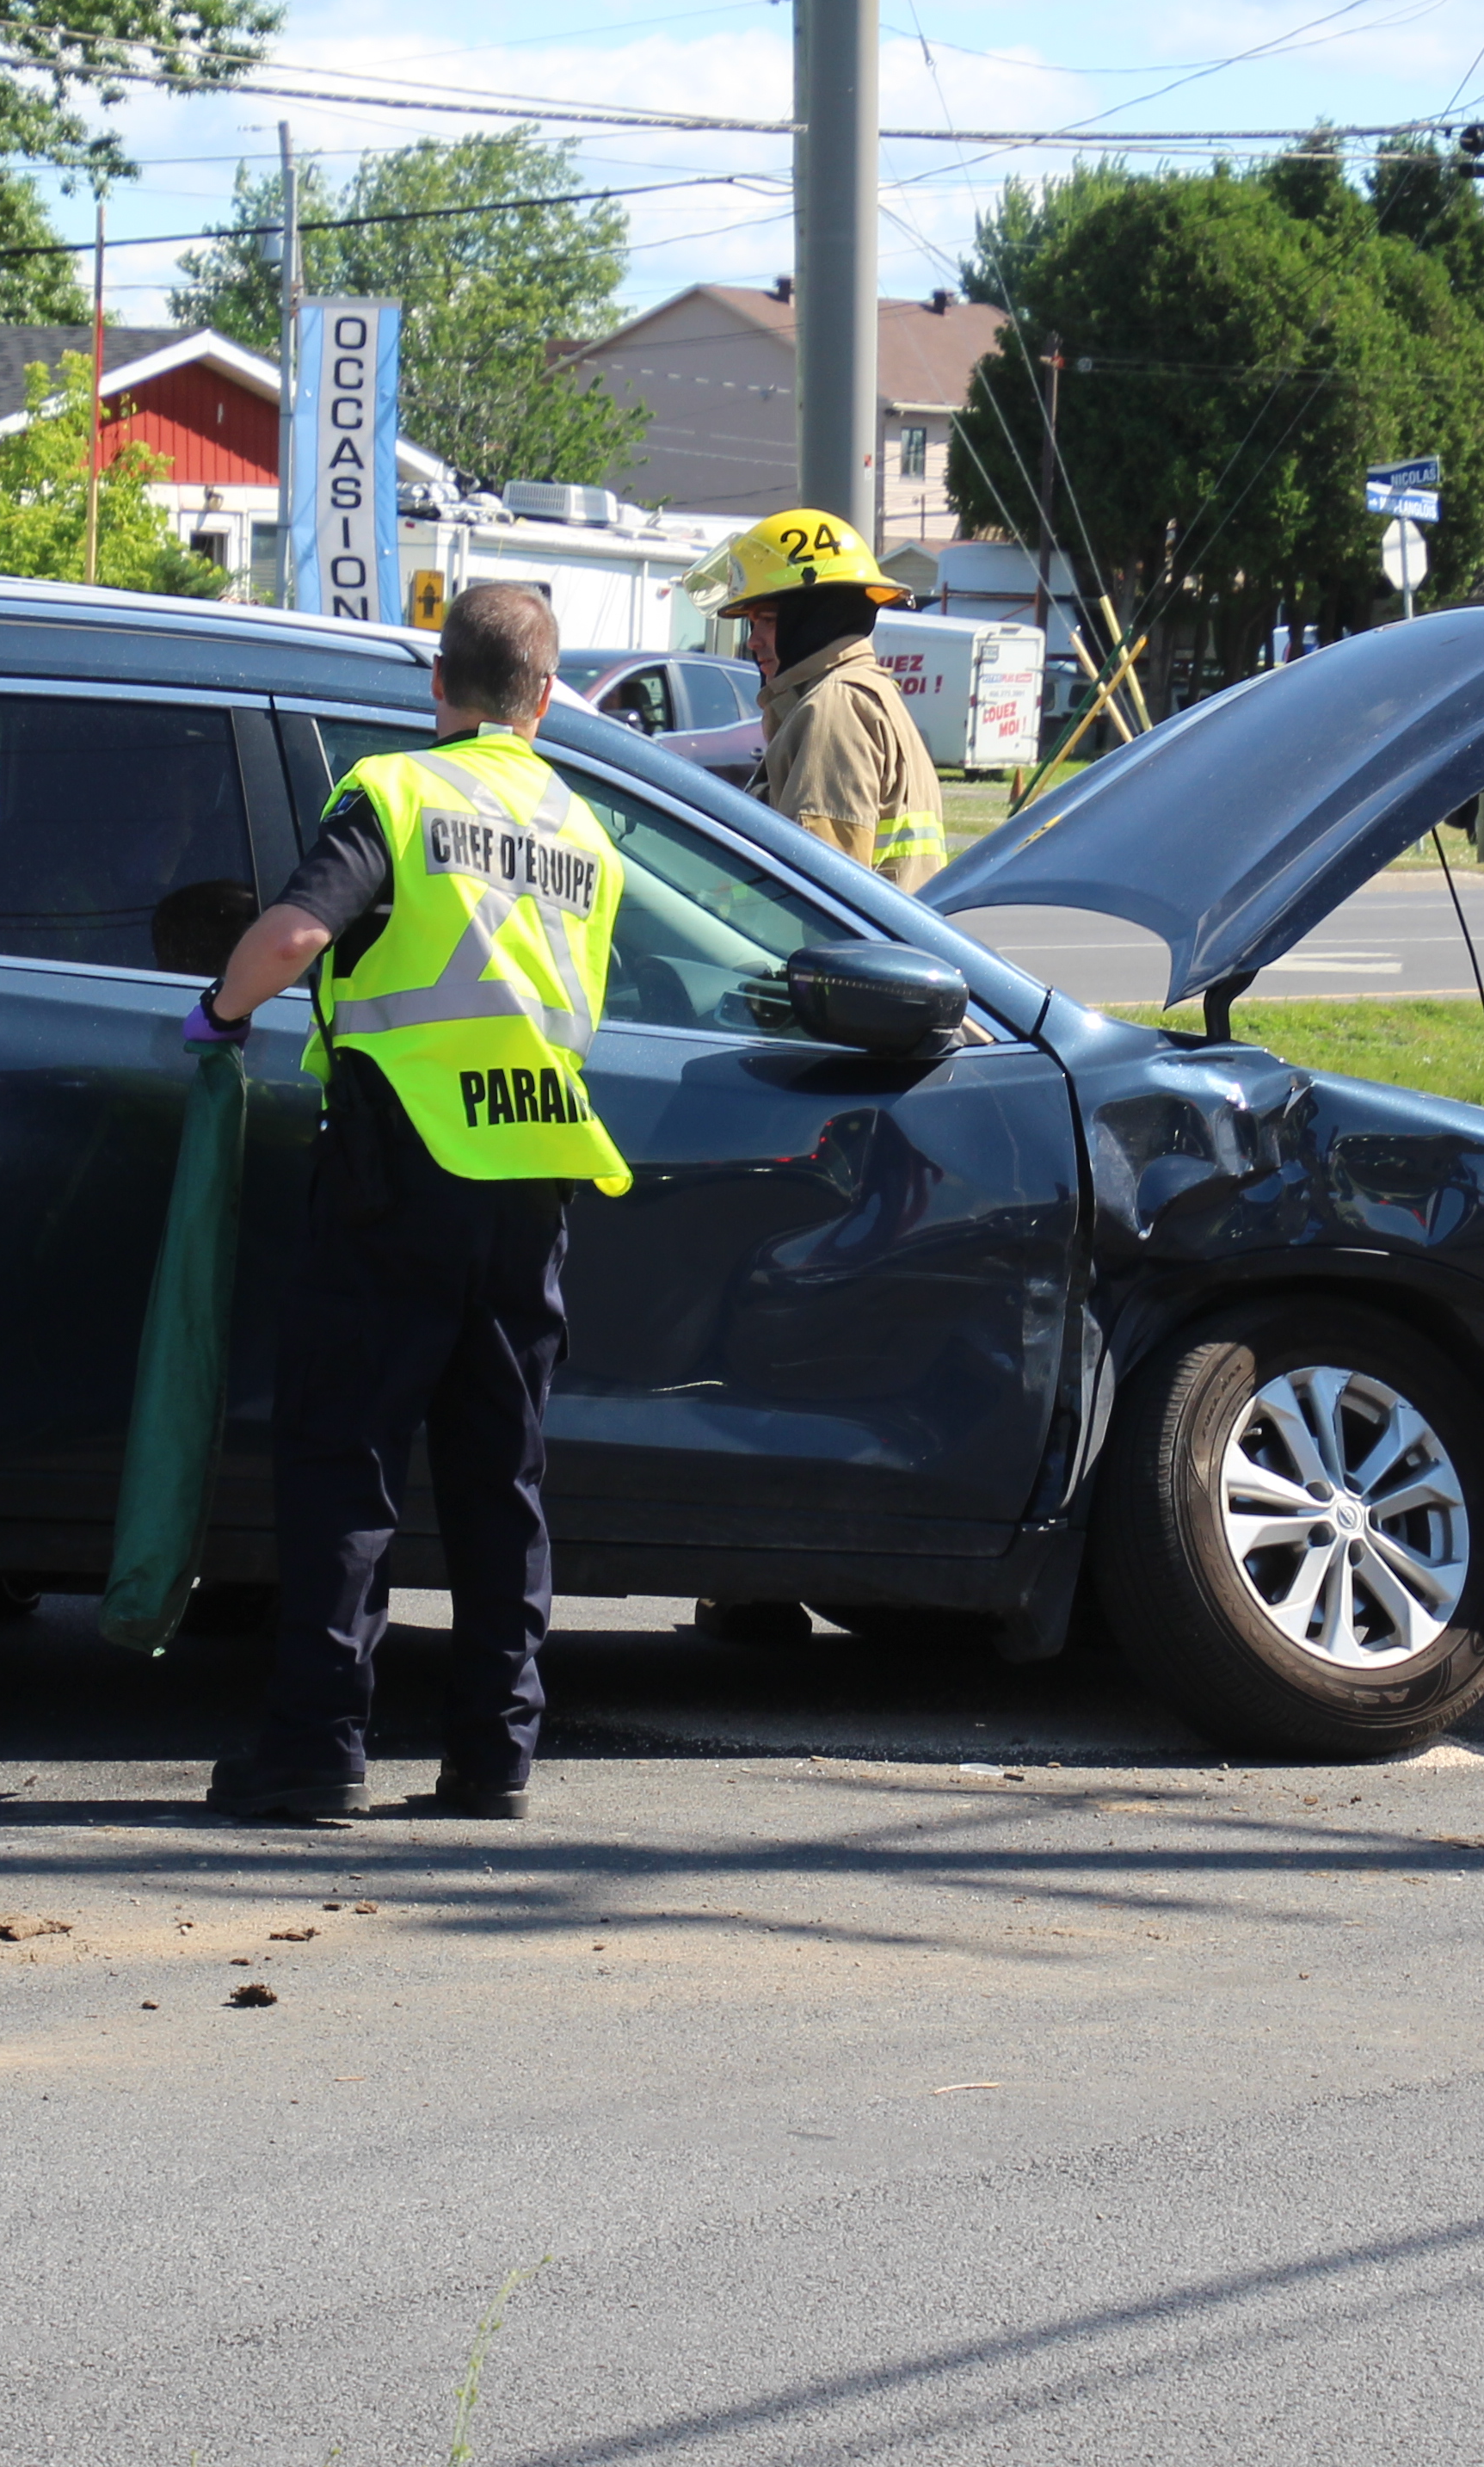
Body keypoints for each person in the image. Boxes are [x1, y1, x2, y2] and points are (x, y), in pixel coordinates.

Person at [185, 583, 631, 1825]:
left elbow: (286, 942)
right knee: (502, 1480)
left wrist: (219, 1014)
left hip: (397, 1175)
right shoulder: (586, 836)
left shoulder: (396, 792)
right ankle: (495, 1757)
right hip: (530, 1187)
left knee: (347, 1465)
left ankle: (317, 1751)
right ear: (544, 701)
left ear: (438, 686)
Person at [693, 506, 948, 890]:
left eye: (769, 619)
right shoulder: (857, 694)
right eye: (751, 622)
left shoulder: (835, 708)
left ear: (814, 615)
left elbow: (822, 893)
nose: (753, 640)